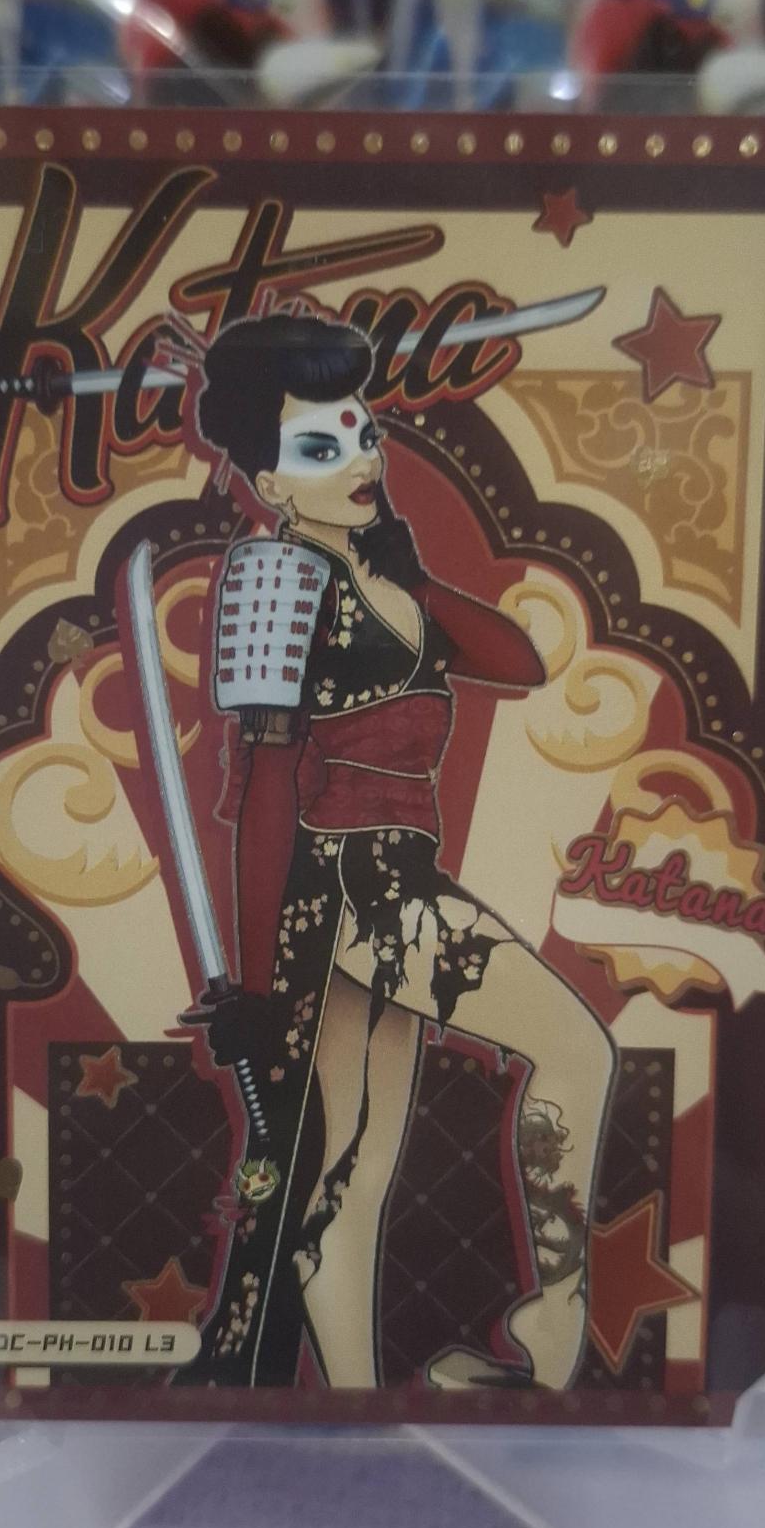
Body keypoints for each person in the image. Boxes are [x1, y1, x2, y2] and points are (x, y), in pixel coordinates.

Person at [178, 311, 617, 1390]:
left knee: (354, 1163)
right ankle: (551, 1335)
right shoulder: (275, 577)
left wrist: (405, 568)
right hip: (351, 888)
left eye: (362, 432)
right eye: (319, 446)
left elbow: (517, 660)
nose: (359, 457)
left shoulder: (378, 578)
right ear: (267, 484)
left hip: (392, 883)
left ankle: (354, 1399)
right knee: (575, 1052)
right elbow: (266, 786)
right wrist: (253, 984)